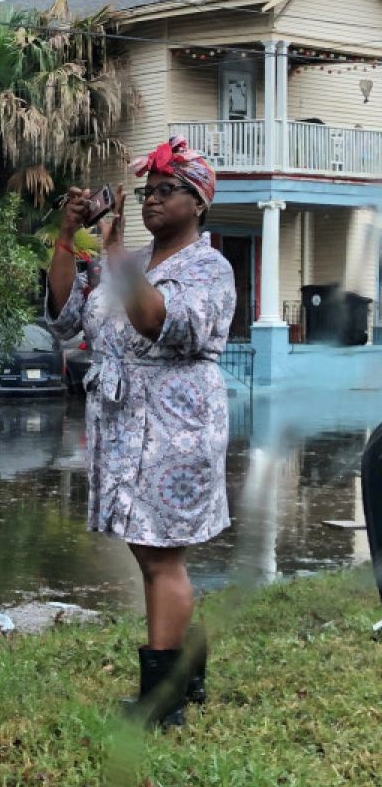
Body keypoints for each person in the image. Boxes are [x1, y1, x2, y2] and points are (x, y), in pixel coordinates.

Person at [46, 136, 236, 728]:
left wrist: (118, 249)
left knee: (160, 556)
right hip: (123, 423)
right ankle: (188, 667)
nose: (153, 200)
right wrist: (65, 237)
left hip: (176, 424)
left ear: (199, 202)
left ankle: (164, 703)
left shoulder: (209, 266)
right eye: (148, 191)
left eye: (168, 191)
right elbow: (63, 316)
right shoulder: (119, 263)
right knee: (149, 550)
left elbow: (158, 322)